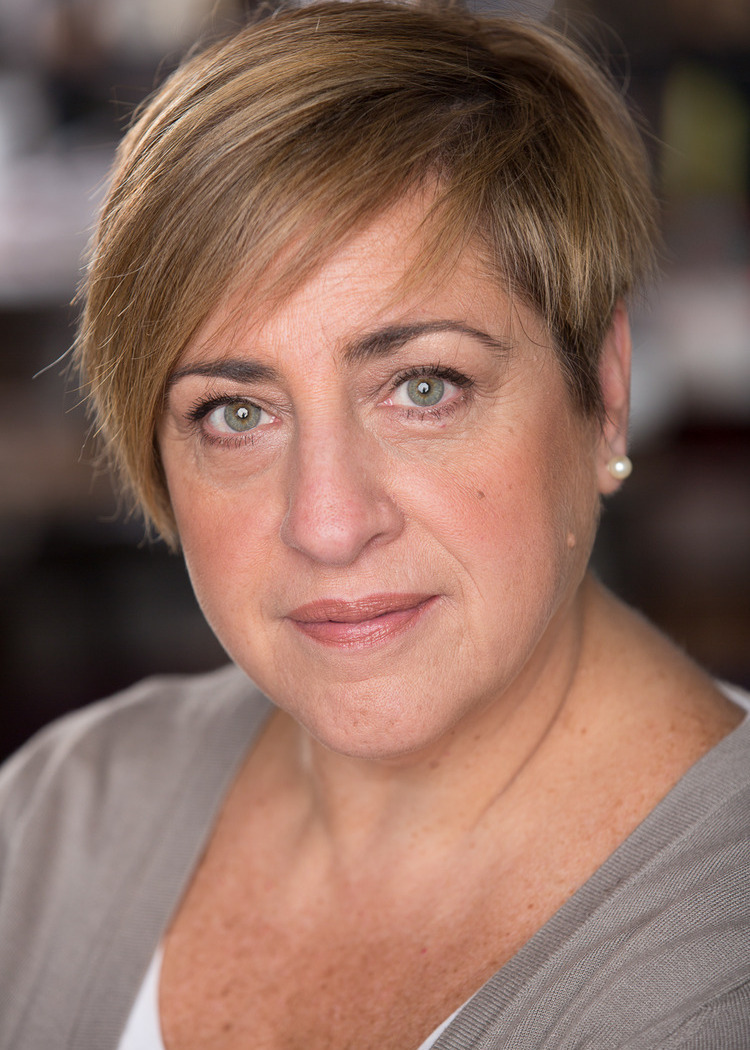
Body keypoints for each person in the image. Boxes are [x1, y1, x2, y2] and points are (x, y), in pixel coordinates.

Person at [1, 2, 749, 1047]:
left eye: (424, 388)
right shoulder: (57, 816)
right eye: (237, 413)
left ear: (605, 392)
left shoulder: (717, 969)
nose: (328, 524)